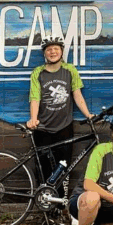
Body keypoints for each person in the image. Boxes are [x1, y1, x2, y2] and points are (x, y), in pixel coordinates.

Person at [26, 36, 93, 186]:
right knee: (43, 167)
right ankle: (45, 203)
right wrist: (33, 118)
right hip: (42, 128)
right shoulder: (38, 72)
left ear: (62, 51)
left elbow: (77, 94)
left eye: (56, 48)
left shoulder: (70, 70)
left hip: (64, 127)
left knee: (64, 166)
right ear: (44, 53)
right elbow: (35, 98)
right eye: (49, 49)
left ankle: (62, 204)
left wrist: (88, 115)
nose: (52, 52)